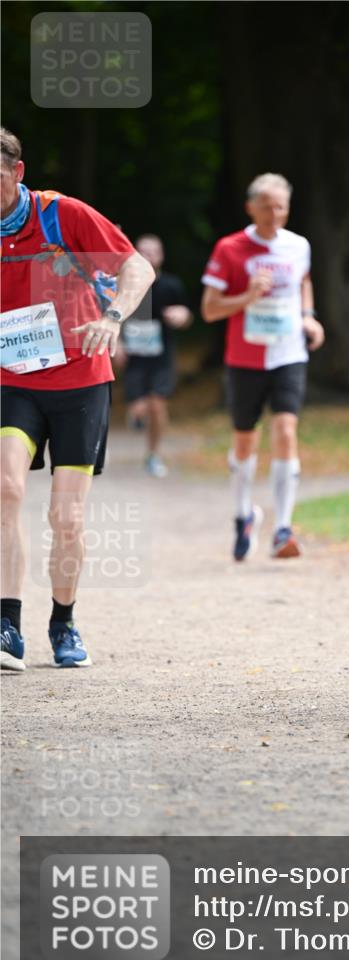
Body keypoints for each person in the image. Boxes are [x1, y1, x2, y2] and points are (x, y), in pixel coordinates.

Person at [0, 127, 154, 671]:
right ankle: (7, 625)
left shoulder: (61, 216)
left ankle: (63, 621)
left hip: (80, 382)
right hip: (12, 381)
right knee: (5, 486)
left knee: (66, 517)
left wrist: (113, 317)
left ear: (17, 173)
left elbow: (138, 266)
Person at [201, 173, 325, 560]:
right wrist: (246, 296)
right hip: (245, 357)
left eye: (281, 207)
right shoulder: (230, 248)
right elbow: (209, 309)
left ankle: (283, 527)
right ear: (250, 208)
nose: (274, 214)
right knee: (245, 440)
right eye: (266, 207)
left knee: (286, 430)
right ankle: (243, 516)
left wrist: (308, 316)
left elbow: (303, 281)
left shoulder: (298, 246)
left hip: (288, 354)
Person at [115, 234, 193, 477]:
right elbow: (110, 314)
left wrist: (182, 316)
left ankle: (153, 454)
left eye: (153, 252)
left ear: (161, 256)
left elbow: (188, 315)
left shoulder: (171, 286)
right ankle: (137, 413)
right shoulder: (123, 285)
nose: (148, 256)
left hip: (162, 356)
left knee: (157, 406)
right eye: (142, 252)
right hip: (134, 358)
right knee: (139, 407)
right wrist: (117, 343)